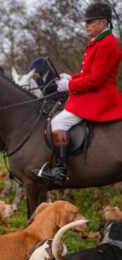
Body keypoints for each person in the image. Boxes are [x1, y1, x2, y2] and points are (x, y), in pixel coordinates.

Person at [34, 2, 122, 187]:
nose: (86, 25)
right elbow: (88, 74)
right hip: (93, 92)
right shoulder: (99, 42)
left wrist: (69, 85)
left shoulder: (107, 44)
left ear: (104, 22)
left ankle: (61, 170)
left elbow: (95, 80)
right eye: (86, 22)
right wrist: (70, 77)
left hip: (99, 96)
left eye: (90, 22)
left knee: (59, 122)